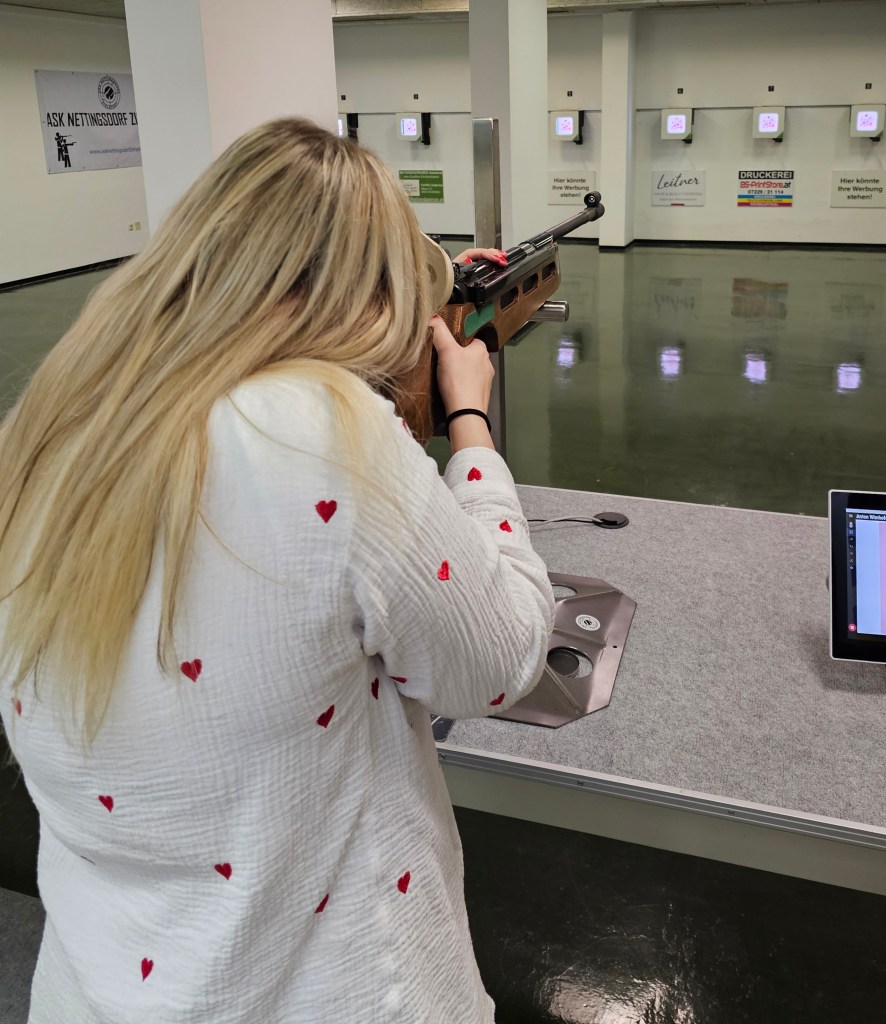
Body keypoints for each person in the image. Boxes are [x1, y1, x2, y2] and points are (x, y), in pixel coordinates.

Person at [0, 117, 555, 1023]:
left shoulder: (49, 428)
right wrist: (469, 424)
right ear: (365, 297)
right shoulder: (325, 429)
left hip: (91, 993)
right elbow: (501, 659)